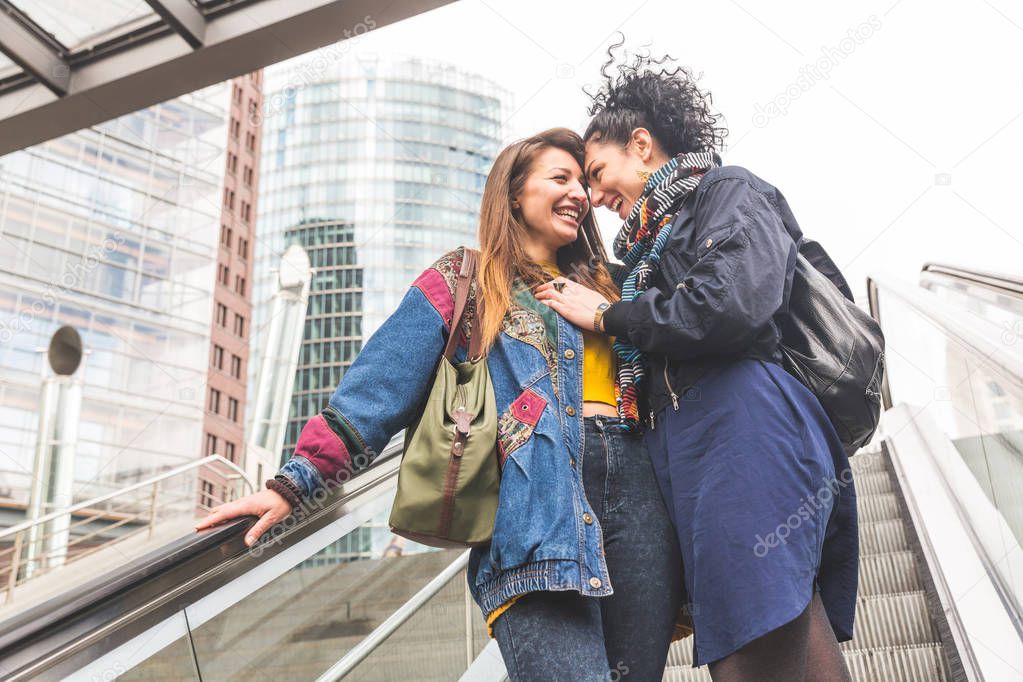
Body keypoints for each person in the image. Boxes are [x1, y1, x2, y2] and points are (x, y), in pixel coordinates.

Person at [195, 128, 684, 681]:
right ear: (515, 195)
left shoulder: (616, 288)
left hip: (641, 512)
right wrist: (293, 483)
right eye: (559, 177)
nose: (580, 192)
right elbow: (379, 386)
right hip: (535, 519)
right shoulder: (466, 279)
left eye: (583, 180)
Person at [534, 55, 858, 681]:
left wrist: (609, 318)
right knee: (783, 627)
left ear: (642, 144)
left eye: (598, 173)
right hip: (699, 451)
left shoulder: (728, 192)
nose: (596, 198)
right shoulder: (645, 249)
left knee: (749, 639)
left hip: (745, 432)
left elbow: (730, 304)